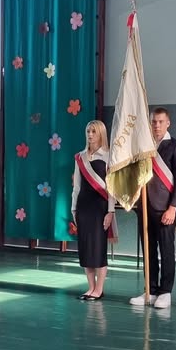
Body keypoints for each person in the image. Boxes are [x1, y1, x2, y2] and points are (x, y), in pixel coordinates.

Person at [130, 107, 176, 309]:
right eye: (154, 121)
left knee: (166, 250)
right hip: (144, 207)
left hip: (165, 209)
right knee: (148, 250)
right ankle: (151, 290)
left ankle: (165, 292)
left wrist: (173, 208)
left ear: (168, 123)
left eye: (161, 121)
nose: (157, 125)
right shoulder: (144, 147)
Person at [71, 120, 115, 301]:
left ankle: (99, 289)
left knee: (98, 248)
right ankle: (90, 287)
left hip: (100, 207)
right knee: (85, 248)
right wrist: (73, 208)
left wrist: (111, 211)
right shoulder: (79, 157)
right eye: (88, 131)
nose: (90, 134)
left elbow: (112, 187)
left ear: (101, 134)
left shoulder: (109, 156)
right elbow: (76, 186)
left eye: (94, 131)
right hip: (83, 206)